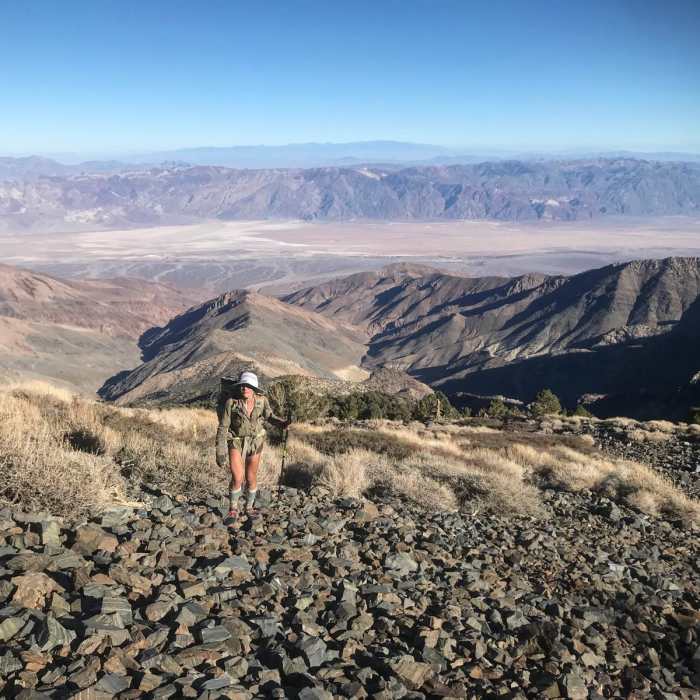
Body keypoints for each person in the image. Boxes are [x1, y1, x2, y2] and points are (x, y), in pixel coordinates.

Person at [215, 371, 289, 526]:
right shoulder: (231, 403)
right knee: (237, 477)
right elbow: (223, 427)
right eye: (242, 385)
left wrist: (282, 423)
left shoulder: (262, 401)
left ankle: (249, 507)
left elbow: (269, 416)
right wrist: (220, 450)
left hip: (256, 441)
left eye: (248, 386)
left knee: (251, 477)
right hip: (236, 441)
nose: (244, 388)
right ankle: (233, 508)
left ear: (254, 389)